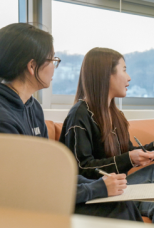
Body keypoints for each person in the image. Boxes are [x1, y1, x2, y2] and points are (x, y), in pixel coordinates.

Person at [0, 23, 142, 222]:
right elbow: (25, 189)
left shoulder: (33, 107)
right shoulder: (4, 117)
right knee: (118, 209)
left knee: (121, 203)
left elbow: (48, 172)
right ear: (32, 66)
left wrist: (99, 183)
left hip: (42, 195)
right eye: (52, 60)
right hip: (23, 205)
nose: (54, 67)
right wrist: (96, 188)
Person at [59, 47, 154, 228]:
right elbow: (81, 168)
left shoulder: (115, 115)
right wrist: (128, 159)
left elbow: (130, 153)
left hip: (119, 189)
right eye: (124, 70)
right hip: (94, 194)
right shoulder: (80, 114)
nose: (129, 77)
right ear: (105, 75)